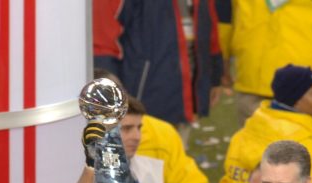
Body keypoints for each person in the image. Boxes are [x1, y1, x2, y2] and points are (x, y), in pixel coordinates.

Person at [93, 0, 223, 127]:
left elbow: (210, 27)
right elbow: (102, 42)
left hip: (187, 96)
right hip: (140, 99)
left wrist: (215, 77)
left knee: (174, 145)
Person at [216, 0, 312, 123]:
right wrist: (222, 58)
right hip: (254, 77)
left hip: (309, 81)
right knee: (255, 142)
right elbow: (224, 14)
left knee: (309, 142)